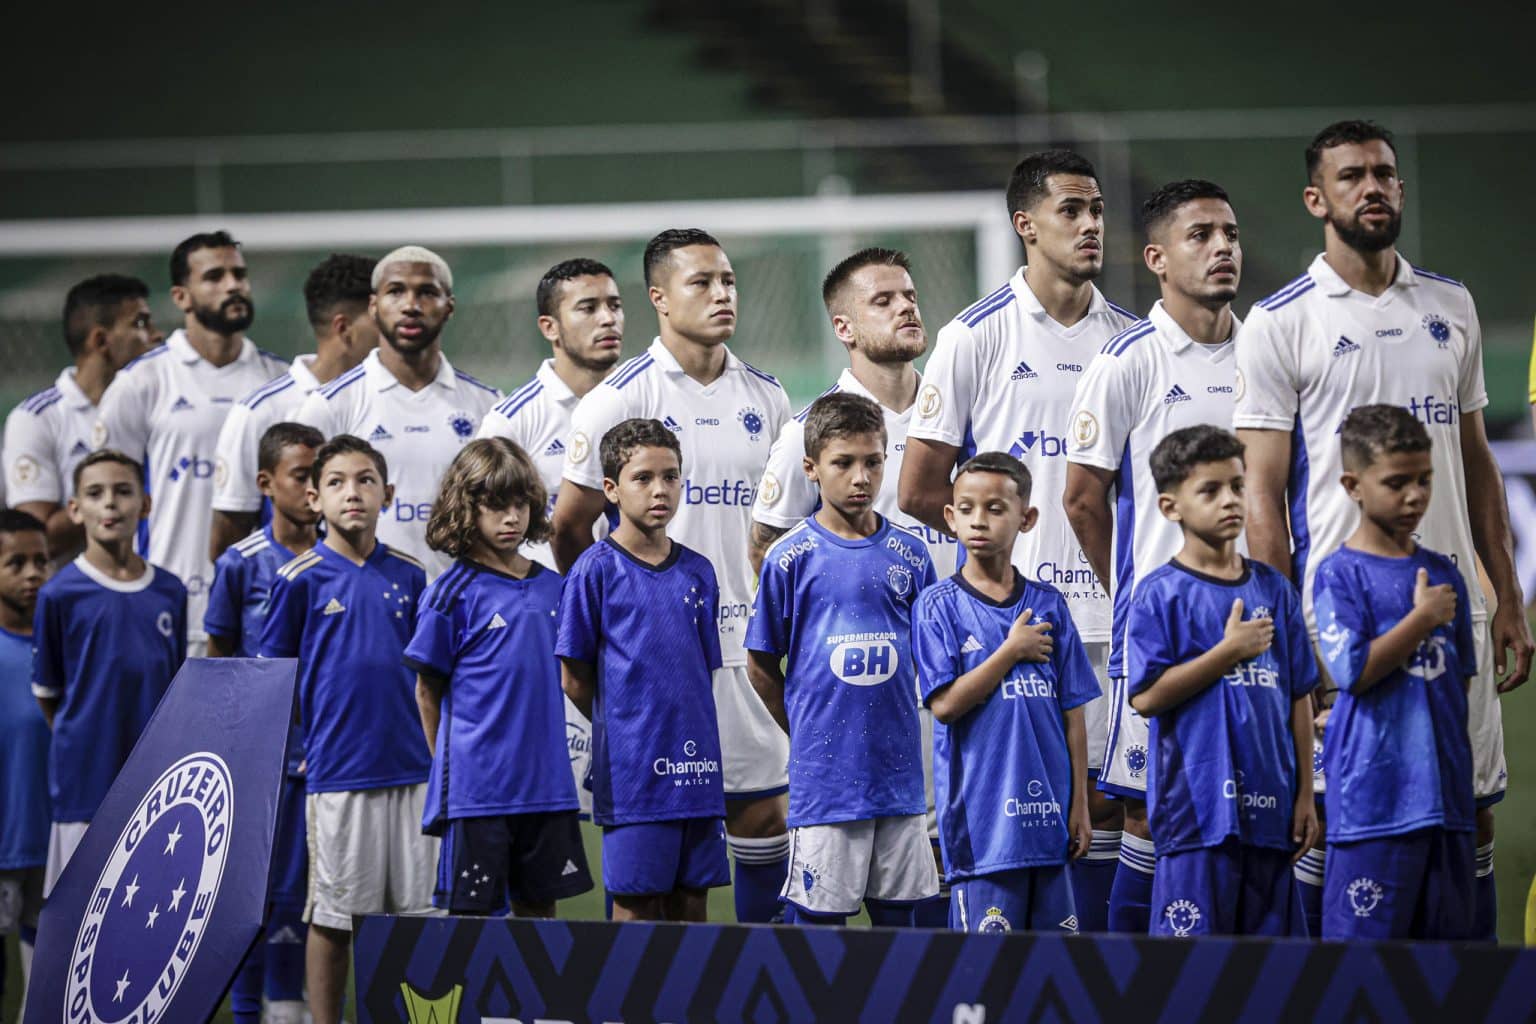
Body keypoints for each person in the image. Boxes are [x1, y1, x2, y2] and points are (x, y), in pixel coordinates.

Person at [1234, 120, 1531, 941]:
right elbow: (1261, 494)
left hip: (1451, 607)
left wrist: (1504, 594)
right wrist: (1298, 638)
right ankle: (1341, 995)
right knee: (1338, 818)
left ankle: (1472, 993)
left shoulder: (1451, 303)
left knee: (1470, 814)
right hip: (1346, 621)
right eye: (1353, 176)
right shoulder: (1280, 322)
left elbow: (1477, 464)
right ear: (1316, 199)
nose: (1373, 188)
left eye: (1385, 175)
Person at [899, 150, 1137, 932]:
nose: (1092, 224)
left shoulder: (1134, 341)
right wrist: (995, 557)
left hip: (1118, 614)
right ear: (1025, 225)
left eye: (1097, 209)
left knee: (1116, 809)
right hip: (1021, 628)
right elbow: (919, 488)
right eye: (1072, 210)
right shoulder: (974, 336)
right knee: (1024, 819)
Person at [552, 229, 792, 923]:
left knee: (762, 818)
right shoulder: (618, 398)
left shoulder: (768, 397)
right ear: (658, 298)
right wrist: (620, 624)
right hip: (655, 668)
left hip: (745, 650)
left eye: (729, 282)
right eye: (702, 283)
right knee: (650, 865)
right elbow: (570, 528)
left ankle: (756, 993)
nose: (723, 295)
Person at [748, 247, 954, 924]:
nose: (906, 308)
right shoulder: (812, 427)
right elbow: (769, 551)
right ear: (843, 326)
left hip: (942, 694)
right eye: (884, 299)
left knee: (937, 900)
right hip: (851, 727)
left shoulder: (950, 412)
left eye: (910, 295)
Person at [1062, 179, 1244, 930]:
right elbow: (1081, 497)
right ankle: (1128, 986)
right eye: (1200, 235)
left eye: (1230, 232)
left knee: (1257, 806)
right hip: (1161, 633)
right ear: (1158, 258)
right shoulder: (1125, 360)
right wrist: (1137, 598)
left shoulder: (1268, 351)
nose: (1224, 247)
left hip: (1253, 616)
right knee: (1146, 814)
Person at [260, 435, 434, 1024]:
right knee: (335, 918)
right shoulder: (298, 579)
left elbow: (432, 679)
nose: (351, 493)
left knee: (417, 919)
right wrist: (299, 752)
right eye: (335, 482)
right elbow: (272, 684)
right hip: (338, 774)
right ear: (314, 497)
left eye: (364, 480)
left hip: (414, 772)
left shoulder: (411, 576)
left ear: (387, 494)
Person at [1126, 426, 1318, 936]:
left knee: (1276, 981)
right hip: (1194, 816)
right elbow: (1146, 696)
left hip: (1271, 810)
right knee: (1190, 982)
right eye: (1210, 491)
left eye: (1237, 485)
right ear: (1171, 507)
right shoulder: (1158, 594)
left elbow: (1298, 694)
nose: (1230, 500)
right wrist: (1227, 653)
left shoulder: (1274, 588)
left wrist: (1302, 796)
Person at [406, 438, 594, 918]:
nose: (512, 518)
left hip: (548, 788)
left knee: (540, 920)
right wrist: (450, 772)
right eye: (495, 506)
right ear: (465, 508)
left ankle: (537, 999)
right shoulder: (450, 594)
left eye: (521, 505)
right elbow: (427, 689)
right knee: (473, 928)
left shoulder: (556, 587)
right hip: (477, 796)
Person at [1312, 405, 1478, 940]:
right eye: (1396, 482)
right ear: (1352, 485)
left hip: (1446, 805)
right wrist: (1422, 618)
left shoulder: (1445, 569)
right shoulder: (1340, 574)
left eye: (1424, 480)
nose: (1415, 496)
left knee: (1446, 976)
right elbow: (1354, 670)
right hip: (1373, 807)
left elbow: (1461, 679)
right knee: (1362, 973)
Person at [913, 452, 1095, 933]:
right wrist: (1010, 651)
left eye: (996, 508)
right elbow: (947, 705)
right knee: (986, 977)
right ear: (950, 517)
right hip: (984, 830)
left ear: (1026, 518)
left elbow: (1072, 711)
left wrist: (1078, 803)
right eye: (968, 508)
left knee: (1055, 974)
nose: (980, 520)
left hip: (1049, 820)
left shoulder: (1049, 604)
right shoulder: (937, 606)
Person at [556, 419, 729, 922]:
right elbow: (574, 676)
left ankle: (688, 1004)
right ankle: (628, 1005)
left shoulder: (699, 571)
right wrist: (628, 729)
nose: (660, 489)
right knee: (637, 904)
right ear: (610, 489)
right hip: (635, 777)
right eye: (643, 478)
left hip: (697, 770)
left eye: (671, 477)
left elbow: (702, 671)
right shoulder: (594, 570)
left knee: (693, 900)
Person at [475, 257, 625, 820]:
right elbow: (484, 547)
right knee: (537, 812)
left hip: (630, 625)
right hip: (544, 641)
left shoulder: (641, 398)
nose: (607, 318)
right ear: (550, 327)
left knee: (634, 807)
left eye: (613, 304)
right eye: (587, 307)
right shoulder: (511, 422)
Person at [93, 231, 288, 656]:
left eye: (239, 274)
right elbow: (105, 501)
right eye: (214, 276)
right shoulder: (141, 382)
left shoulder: (281, 382)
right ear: (181, 296)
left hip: (264, 607)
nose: (233, 285)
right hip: (167, 608)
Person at [204, 422, 324, 1024]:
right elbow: (221, 655)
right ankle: (253, 1011)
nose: (312, 490)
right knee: (251, 897)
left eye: (318, 476)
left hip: (326, 754)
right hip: (260, 761)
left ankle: (294, 1005)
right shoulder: (240, 564)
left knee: (310, 899)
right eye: (300, 476)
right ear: (264, 482)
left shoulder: (339, 557)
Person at [294, 246, 501, 579]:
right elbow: (300, 517)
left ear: (449, 307)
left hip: (465, 607)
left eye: (427, 292)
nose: (411, 306)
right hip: (363, 607)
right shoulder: (329, 406)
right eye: (396, 292)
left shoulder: (487, 405)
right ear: (374, 307)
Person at [32, 451, 187, 891]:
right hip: (85, 784)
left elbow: (173, 692)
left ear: (146, 503)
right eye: (95, 494)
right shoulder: (60, 594)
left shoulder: (169, 591)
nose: (111, 505)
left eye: (123, 492)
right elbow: (50, 696)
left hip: (154, 787)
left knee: (146, 915)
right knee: (77, 922)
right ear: (75, 509)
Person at [210, 253, 379, 561]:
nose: (393, 335)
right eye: (380, 323)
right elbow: (228, 539)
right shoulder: (259, 413)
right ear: (344, 329)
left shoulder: (384, 402)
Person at [4, 274, 156, 560]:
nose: (156, 335)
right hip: (75, 596)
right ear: (101, 340)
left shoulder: (158, 411)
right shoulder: (37, 419)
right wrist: (121, 477)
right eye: (140, 324)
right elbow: (39, 538)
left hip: (149, 586)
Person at [0, 510, 49, 1010]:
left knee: (46, 996)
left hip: (54, 843)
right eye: (16, 562)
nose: (33, 573)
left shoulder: (64, 646)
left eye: (41, 561)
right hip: (3, 845)